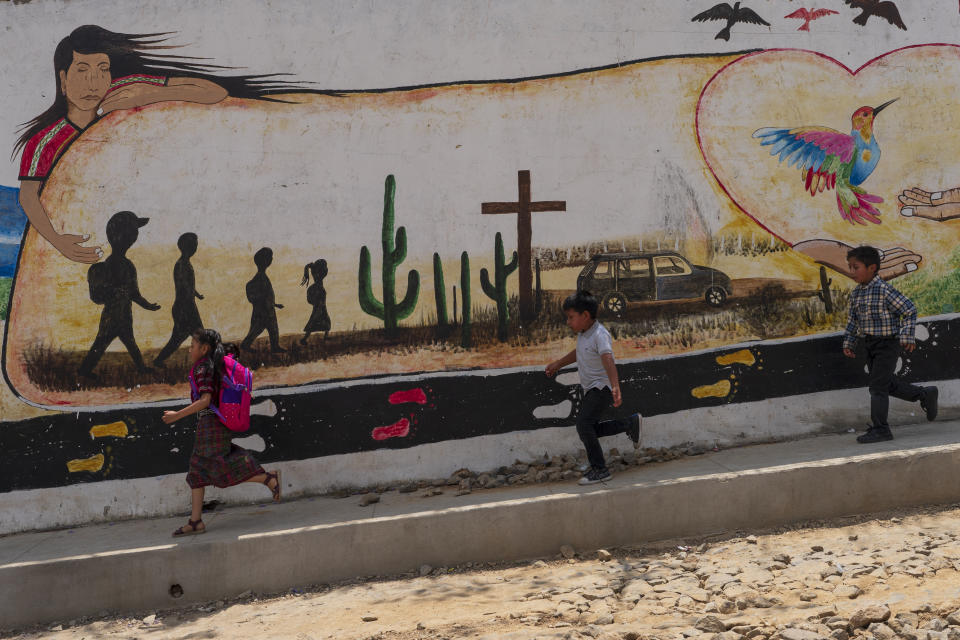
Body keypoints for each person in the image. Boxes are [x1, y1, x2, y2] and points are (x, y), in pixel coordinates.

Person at [13, 25, 318, 263]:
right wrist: (57, 240)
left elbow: (214, 92)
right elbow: (28, 197)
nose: (95, 82)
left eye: (102, 69)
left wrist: (148, 95)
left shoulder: (121, 92)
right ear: (63, 80)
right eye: (83, 71)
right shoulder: (46, 141)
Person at [162, 328, 281, 537]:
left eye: (192, 346)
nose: (189, 350)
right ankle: (196, 521)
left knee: (220, 466)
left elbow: (205, 400)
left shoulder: (204, 368)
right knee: (197, 471)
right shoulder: (211, 365)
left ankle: (267, 478)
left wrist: (176, 415)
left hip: (212, 424)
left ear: (204, 348)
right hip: (211, 423)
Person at [842, 245, 938, 443]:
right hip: (869, 344)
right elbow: (853, 321)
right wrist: (849, 342)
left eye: (856, 267)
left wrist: (907, 336)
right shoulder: (856, 294)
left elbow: (909, 310)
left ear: (872, 268)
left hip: (887, 344)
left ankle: (881, 429)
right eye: (850, 267)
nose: (851, 272)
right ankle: (924, 394)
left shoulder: (884, 290)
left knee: (877, 387)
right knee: (885, 384)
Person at [545, 290, 641, 485]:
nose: (568, 322)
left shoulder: (600, 334)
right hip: (592, 389)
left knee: (583, 425)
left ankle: (600, 469)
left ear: (585, 316)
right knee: (589, 428)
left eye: (571, 317)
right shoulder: (584, 334)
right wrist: (558, 364)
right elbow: (578, 353)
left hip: (601, 388)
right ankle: (629, 424)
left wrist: (615, 386)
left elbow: (608, 359)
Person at [78, 211, 160, 379]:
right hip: (113, 314)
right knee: (101, 344)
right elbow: (129, 293)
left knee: (128, 342)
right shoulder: (116, 264)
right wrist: (122, 294)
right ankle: (84, 371)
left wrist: (148, 305)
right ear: (124, 236)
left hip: (123, 313)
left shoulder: (126, 265)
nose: (134, 236)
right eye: (132, 232)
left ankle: (141, 368)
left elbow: (134, 293)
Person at [154, 233, 204, 367]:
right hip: (185, 307)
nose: (196, 247)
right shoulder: (182, 265)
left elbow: (189, 286)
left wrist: (197, 295)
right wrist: (192, 298)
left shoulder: (185, 263)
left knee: (177, 339)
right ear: (188, 247)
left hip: (185, 306)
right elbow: (185, 287)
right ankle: (207, 362)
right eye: (194, 244)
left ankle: (159, 360)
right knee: (200, 337)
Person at [241, 247, 286, 353]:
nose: (271, 259)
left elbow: (267, 295)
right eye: (270, 257)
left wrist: (275, 304)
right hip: (262, 311)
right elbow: (259, 295)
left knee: (273, 329)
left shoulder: (263, 277)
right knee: (256, 330)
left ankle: (275, 346)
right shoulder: (259, 278)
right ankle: (245, 344)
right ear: (265, 261)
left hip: (268, 309)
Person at [300, 259, 331, 345]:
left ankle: (325, 336)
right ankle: (305, 338)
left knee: (324, 317)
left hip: (318, 292)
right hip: (319, 293)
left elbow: (309, 266)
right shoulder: (320, 273)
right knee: (317, 317)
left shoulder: (315, 271)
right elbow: (325, 271)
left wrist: (309, 266)